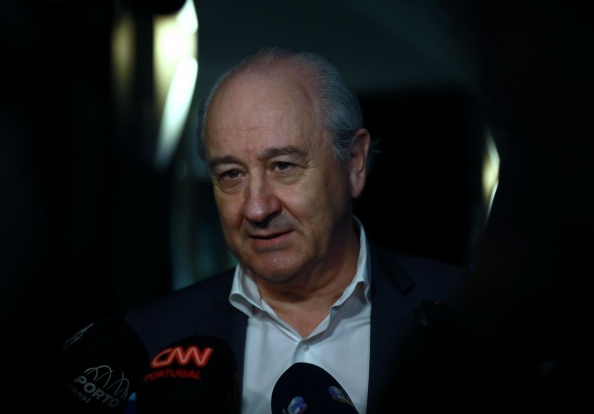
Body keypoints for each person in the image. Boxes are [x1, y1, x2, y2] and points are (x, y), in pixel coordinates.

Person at [124, 45, 471, 413]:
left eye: (283, 166)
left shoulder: (473, 313)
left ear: (354, 163)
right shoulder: (151, 338)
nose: (257, 208)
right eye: (231, 174)